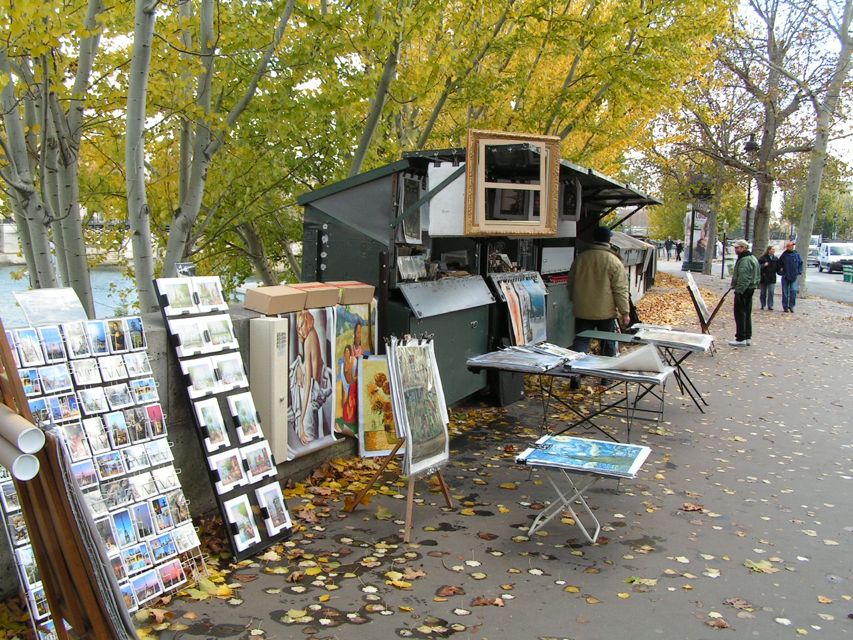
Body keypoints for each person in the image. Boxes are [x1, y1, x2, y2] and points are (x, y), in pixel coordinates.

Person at [570, 226, 630, 358]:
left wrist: (574, 300)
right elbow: (620, 290)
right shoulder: (614, 261)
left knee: (581, 341)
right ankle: (606, 377)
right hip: (606, 312)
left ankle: (575, 374)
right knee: (607, 342)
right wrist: (625, 312)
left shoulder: (581, 258)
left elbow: (571, 284)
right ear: (609, 240)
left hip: (583, 310)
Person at [728, 239, 760, 346]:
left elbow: (744, 277)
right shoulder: (752, 258)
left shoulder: (745, 260)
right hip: (750, 288)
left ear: (743, 248)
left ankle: (741, 337)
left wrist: (739, 291)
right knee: (746, 313)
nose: (735, 249)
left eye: (737, 248)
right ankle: (746, 336)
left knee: (740, 313)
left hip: (744, 289)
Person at [777, 240, 803, 312]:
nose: (792, 247)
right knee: (785, 293)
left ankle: (791, 306)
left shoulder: (796, 255)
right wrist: (780, 272)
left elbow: (801, 263)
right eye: (791, 246)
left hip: (794, 276)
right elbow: (779, 265)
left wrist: (799, 271)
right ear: (787, 247)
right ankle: (785, 306)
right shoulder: (783, 255)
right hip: (785, 276)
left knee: (793, 291)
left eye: (793, 246)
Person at [757, 245, 779, 310]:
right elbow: (758, 266)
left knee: (771, 292)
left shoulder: (775, 258)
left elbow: (778, 267)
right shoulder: (763, 258)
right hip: (764, 277)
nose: (773, 251)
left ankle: (770, 305)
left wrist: (781, 270)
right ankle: (763, 304)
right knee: (763, 292)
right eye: (772, 249)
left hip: (772, 277)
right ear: (768, 250)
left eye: (774, 249)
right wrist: (764, 265)